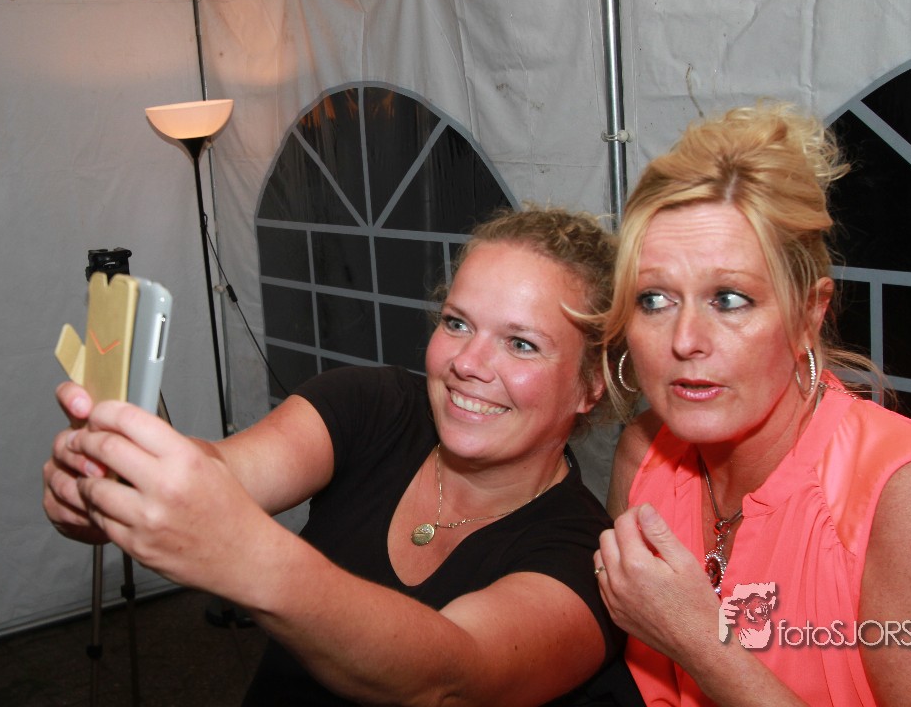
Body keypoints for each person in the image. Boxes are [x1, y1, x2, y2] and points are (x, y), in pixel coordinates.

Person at [44, 206, 628, 706]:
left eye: (520, 343)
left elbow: (449, 678)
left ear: (590, 385)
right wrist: (118, 480)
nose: (468, 363)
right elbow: (226, 471)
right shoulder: (372, 406)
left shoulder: (586, 560)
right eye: (457, 323)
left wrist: (248, 558)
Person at [594, 102, 911, 705]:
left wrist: (702, 643)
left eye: (729, 298)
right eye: (654, 300)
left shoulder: (910, 496)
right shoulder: (642, 455)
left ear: (809, 314)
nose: (685, 340)